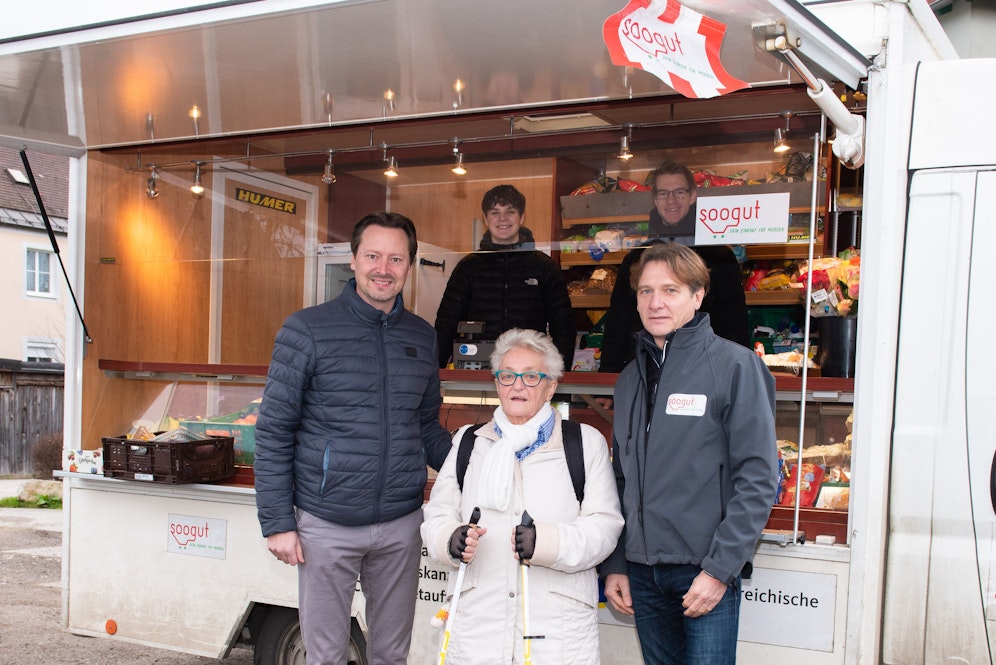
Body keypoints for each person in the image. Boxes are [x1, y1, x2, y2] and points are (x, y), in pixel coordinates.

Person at [254, 211, 453, 665]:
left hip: (402, 523)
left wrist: (478, 456)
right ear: (354, 259)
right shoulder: (306, 330)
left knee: (391, 654)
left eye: (396, 259)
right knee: (324, 655)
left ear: (410, 265)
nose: (383, 268)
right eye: (373, 256)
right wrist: (278, 522)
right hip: (326, 523)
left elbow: (424, 427)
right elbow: (274, 430)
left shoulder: (422, 338)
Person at [601, 242, 777, 665]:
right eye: (645, 291)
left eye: (671, 290)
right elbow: (622, 477)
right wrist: (618, 563)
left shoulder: (735, 366)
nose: (655, 302)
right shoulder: (629, 379)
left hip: (702, 569)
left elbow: (757, 478)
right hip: (642, 574)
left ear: (698, 297)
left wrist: (719, 570)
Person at [421, 328, 624, 665]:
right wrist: (450, 539)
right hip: (478, 629)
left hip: (557, 633)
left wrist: (545, 542)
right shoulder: (468, 443)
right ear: (496, 382)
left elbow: (605, 528)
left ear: (551, 386)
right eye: (507, 375)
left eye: (531, 376)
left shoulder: (584, 443)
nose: (517, 385)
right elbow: (438, 514)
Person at [598, 160, 749, 375]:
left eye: (679, 192)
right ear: (654, 199)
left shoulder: (718, 255)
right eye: (663, 193)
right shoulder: (637, 257)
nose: (671, 200)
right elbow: (618, 321)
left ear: (692, 196)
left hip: (705, 371)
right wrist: (609, 374)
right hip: (645, 371)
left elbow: (734, 323)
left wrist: (737, 374)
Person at [435, 184, 576, 369]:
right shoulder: (468, 266)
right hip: (478, 370)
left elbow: (563, 324)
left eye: (510, 211)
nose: (503, 218)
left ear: (522, 217)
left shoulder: (544, 266)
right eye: (495, 212)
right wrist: (435, 371)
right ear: (486, 219)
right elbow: (447, 322)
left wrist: (559, 373)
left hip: (528, 369)